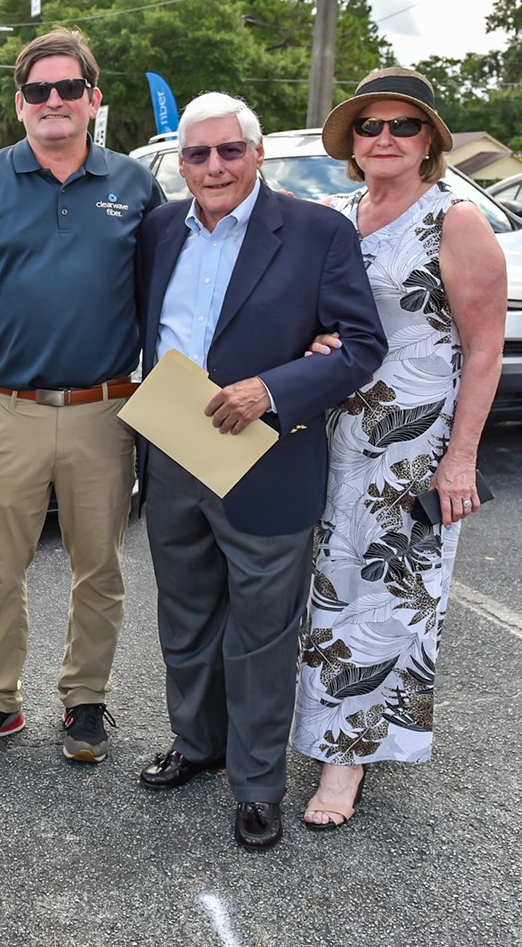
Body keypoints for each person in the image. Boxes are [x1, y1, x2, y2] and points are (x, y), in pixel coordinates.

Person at [135, 91, 386, 849]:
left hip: (266, 455)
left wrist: (273, 388)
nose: (213, 166)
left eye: (228, 150)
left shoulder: (316, 232)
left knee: (260, 633)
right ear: (181, 163)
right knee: (185, 618)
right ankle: (198, 743)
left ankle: (256, 785)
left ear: (257, 153)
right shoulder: (156, 231)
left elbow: (360, 346)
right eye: (198, 154)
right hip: (173, 448)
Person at [0, 27, 166, 766]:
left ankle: (85, 699)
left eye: (69, 88)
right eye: (39, 90)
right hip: (6, 408)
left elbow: (173, 297)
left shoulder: (135, 185)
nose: (54, 101)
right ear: (20, 103)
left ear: (95, 99)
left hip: (106, 409)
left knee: (100, 566)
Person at [292, 67, 506, 829]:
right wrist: (314, 339)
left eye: (403, 126)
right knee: (328, 589)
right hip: (334, 434)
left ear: (430, 142)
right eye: (370, 126)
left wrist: (461, 459)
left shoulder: (456, 221)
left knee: (385, 604)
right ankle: (324, 731)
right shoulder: (336, 215)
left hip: (413, 448)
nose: (384, 138)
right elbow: (324, 319)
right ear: (352, 141)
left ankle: (346, 760)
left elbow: (483, 350)